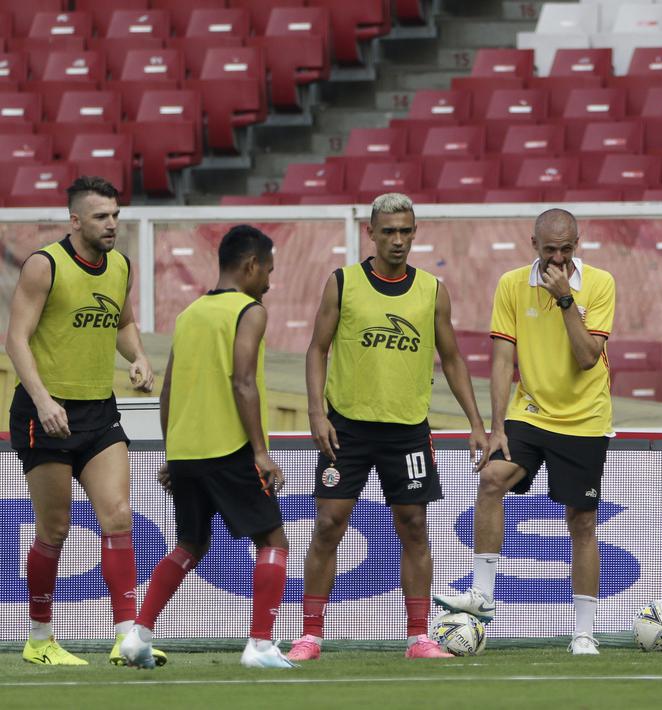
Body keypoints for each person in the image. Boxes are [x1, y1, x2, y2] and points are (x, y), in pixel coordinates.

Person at [286, 194, 489, 661]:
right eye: (389, 231)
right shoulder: (343, 283)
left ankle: (419, 636)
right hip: (347, 429)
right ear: (371, 234)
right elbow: (317, 349)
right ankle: (311, 635)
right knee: (327, 526)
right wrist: (316, 413)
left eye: (406, 231)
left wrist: (476, 422)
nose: (398, 240)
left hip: (407, 431)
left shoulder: (433, 290)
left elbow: (453, 359)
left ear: (414, 233)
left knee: (414, 527)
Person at [433, 208, 615, 655]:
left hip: (585, 418)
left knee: (582, 522)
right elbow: (500, 359)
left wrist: (566, 300)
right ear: (533, 243)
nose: (558, 258)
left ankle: (584, 632)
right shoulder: (512, 284)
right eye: (549, 248)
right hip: (530, 413)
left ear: (578, 242)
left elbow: (589, 357)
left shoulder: (600, 284)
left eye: (566, 248)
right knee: (492, 478)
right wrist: (496, 425)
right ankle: (481, 593)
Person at [120, 225, 295, 669]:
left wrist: (170, 453)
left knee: (190, 544)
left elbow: (168, 391)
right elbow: (243, 381)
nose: (270, 282)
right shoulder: (249, 310)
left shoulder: (190, 312)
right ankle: (260, 645)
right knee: (273, 538)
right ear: (251, 265)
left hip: (186, 453)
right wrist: (260, 451)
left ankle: (138, 636)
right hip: (230, 448)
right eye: (268, 271)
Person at [5, 176, 160, 666]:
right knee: (55, 529)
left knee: (118, 516)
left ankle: (125, 639)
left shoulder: (120, 266)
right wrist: (44, 400)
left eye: (115, 215)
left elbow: (123, 321)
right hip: (43, 413)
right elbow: (16, 339)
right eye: (101, 216)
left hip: (99, 413)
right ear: (75, 221)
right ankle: (39, 638)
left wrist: (138, 357)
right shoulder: (43, 266)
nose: (112, 224)